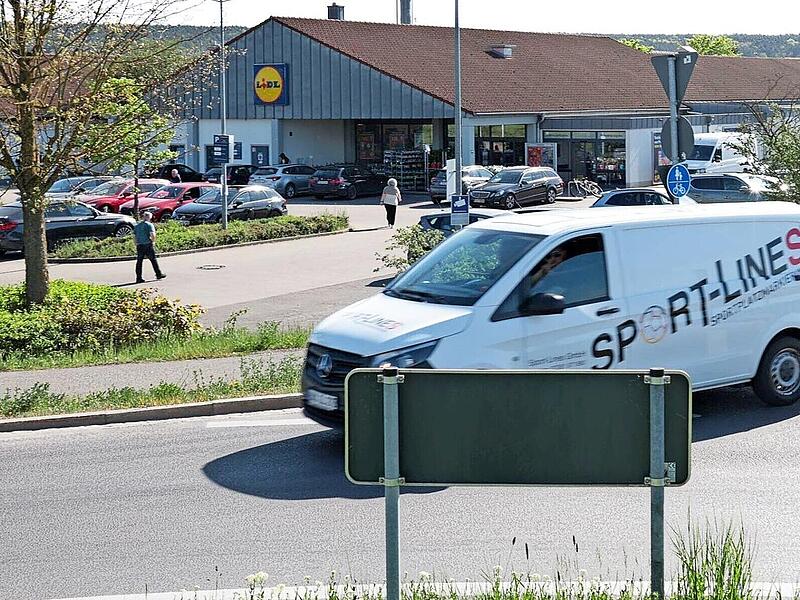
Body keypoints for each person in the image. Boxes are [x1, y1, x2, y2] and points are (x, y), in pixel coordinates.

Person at [134, 212, 166, 284]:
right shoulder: (149, 225)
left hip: (139, 245)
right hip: (147, 244)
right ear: (149, 217)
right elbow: (152, 234)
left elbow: (135, 237)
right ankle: (158, 274)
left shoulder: (137, 226)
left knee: (139, 261)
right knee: (153, 260)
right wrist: (153, 241)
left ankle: (138, 277)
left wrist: (136, 244)